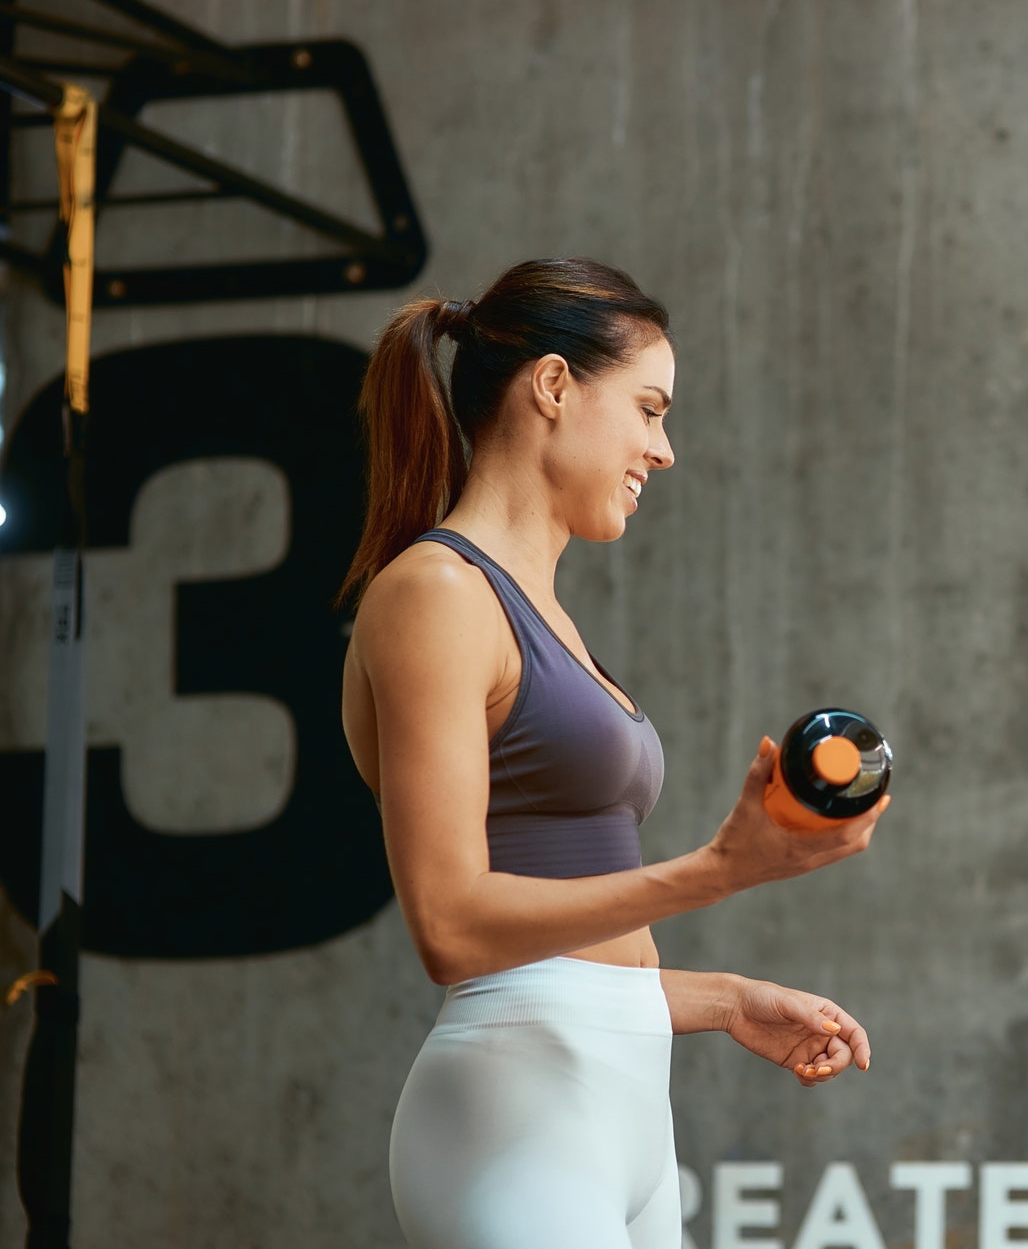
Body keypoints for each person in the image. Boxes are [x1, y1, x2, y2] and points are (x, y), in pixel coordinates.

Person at [338, 258, 885, 1249]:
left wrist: (723, 1000)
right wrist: (718, 871)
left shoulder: (540, 614)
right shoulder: (438, 595)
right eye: (647, 408)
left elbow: (568, 958)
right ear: (552, 386)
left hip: (616, 1101)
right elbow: (454, 929)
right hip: (516, 1113)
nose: (662, 449)